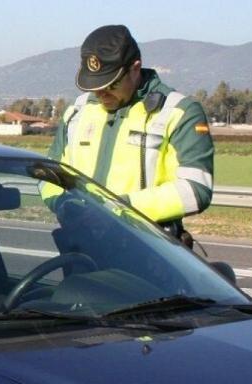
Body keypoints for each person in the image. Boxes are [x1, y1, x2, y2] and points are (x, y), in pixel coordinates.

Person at [44, 25, 214, 247]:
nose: (101, 93)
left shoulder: (178, 112)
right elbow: (49, 176)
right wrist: (64, 205)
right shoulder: (77, 112)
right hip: (82, 246)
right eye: (94, 85)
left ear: (135, 68)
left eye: (111, 84)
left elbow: (195, 189)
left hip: (148, 250)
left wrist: (118, 210)